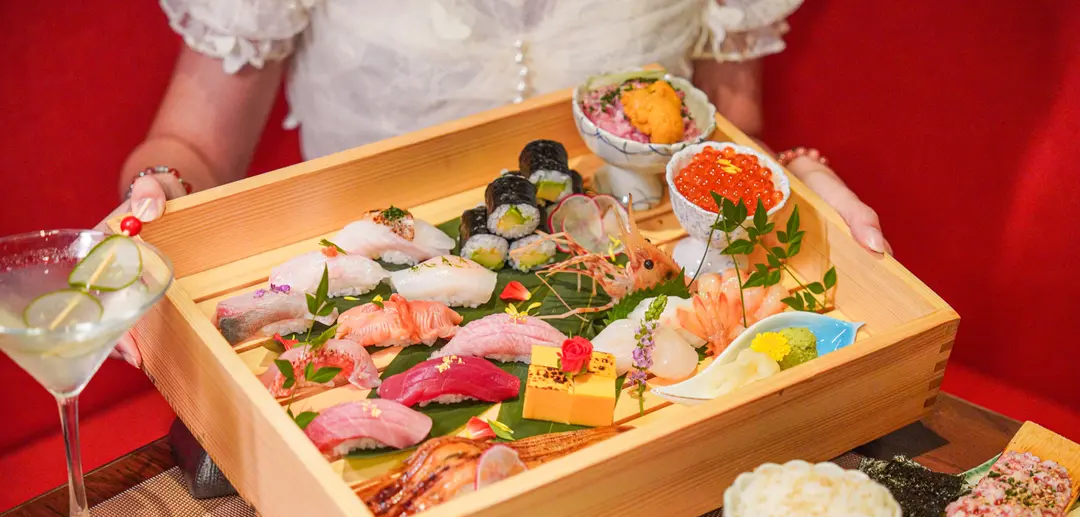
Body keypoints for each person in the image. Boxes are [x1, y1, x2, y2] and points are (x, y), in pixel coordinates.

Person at [107, 0, 889, 366]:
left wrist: (792, 176)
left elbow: (721, 133)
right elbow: (190, 148)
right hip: (353, 313)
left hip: (638, 311)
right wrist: (155, 195)